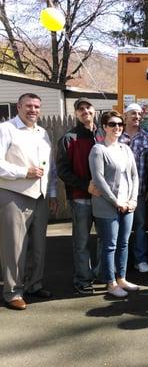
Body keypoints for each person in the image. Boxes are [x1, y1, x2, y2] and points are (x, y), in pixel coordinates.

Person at [0, 93, 58, 310]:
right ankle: (13, 292)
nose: (33, 110)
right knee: (14, 247)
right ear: (19, 107)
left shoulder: (43, 133)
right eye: (29, 106)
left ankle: (34, 284)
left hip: (40, 196)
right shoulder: (6, 129)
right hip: (13, 194)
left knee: (39, 246)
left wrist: (52, 193)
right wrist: (24, 172)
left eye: (36, 106)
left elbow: (49, 167)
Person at [89, 111, 139, 298]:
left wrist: (133, 199)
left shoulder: (126, 149)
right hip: (107, 205)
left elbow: (134, 176)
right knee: (110, 245)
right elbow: (98, 179)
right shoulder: (98, 150)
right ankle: (110, 282)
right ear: (104, 127)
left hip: (127, 204)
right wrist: (116, 201)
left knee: (124, 243)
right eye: (112, 124)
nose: (117, 127)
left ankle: (122, 278)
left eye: (119, 124)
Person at [57, 97, 101, 295]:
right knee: (81, 242)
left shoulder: (103, 133)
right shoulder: (69, 138)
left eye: (88, 107)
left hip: (104, 198)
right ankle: (83, 280)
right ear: (76, 113)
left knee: (105, 239)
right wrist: (85, 185)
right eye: (80, 109)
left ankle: (102, 274)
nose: (85, 111)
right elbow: (63, 171)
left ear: (94, 110)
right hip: (80, 197)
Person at [119, 103, 148, 273]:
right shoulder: (116, 136)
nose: (137, 117)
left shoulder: (147, 139)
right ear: (125, 116)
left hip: (139, 192)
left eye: (140, 114)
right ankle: (119, 262)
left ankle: (140, 260)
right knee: (117, 227)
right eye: (133, 113)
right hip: (117, 192)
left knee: (140, 226)